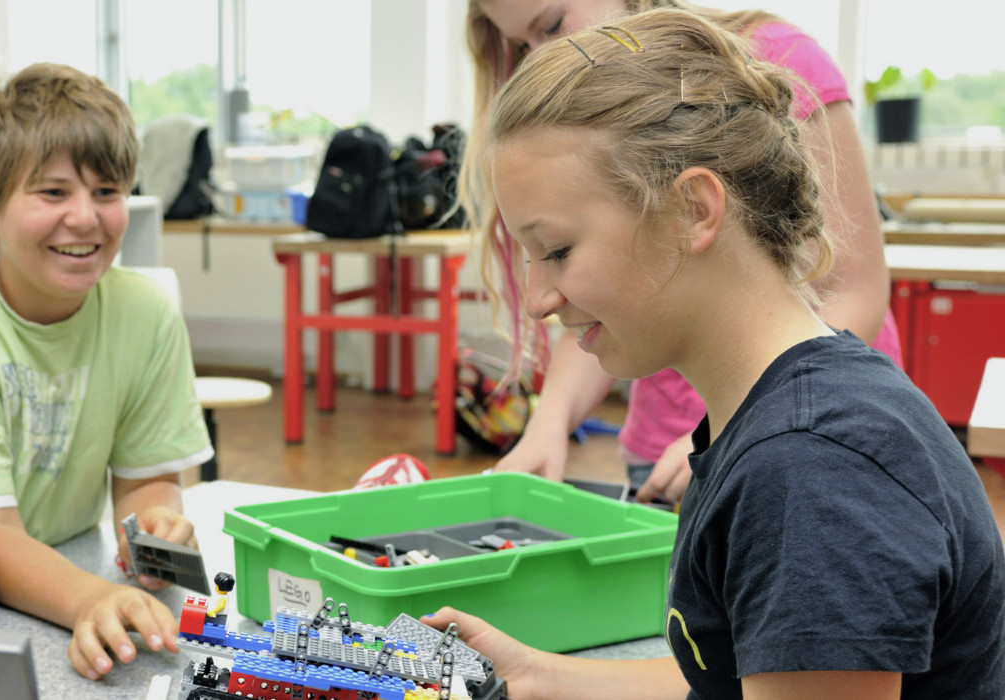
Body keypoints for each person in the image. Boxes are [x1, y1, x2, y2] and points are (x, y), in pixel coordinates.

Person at [424, 10, 1004, 698]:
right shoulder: (773, 415)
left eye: (557, 251)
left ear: (696, 209)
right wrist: (538, 677)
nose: (541, 299)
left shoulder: (811, 466)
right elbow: (741, 677)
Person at [465, 0, 900, 504]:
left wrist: (733, 427)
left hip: (802, 433)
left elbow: (856, 289)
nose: (540, 57)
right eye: (520, 47)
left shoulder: (782, 59)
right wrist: (548, 425)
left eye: (552, 26)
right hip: (667, 447)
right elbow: (600, 288)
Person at [0, 62, 214, 681]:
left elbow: (146, 481)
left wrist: (155, 529)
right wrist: (91, 598)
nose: (84, 217)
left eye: (107, 192)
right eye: (53, 193)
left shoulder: (144, 312)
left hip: (61, 574)